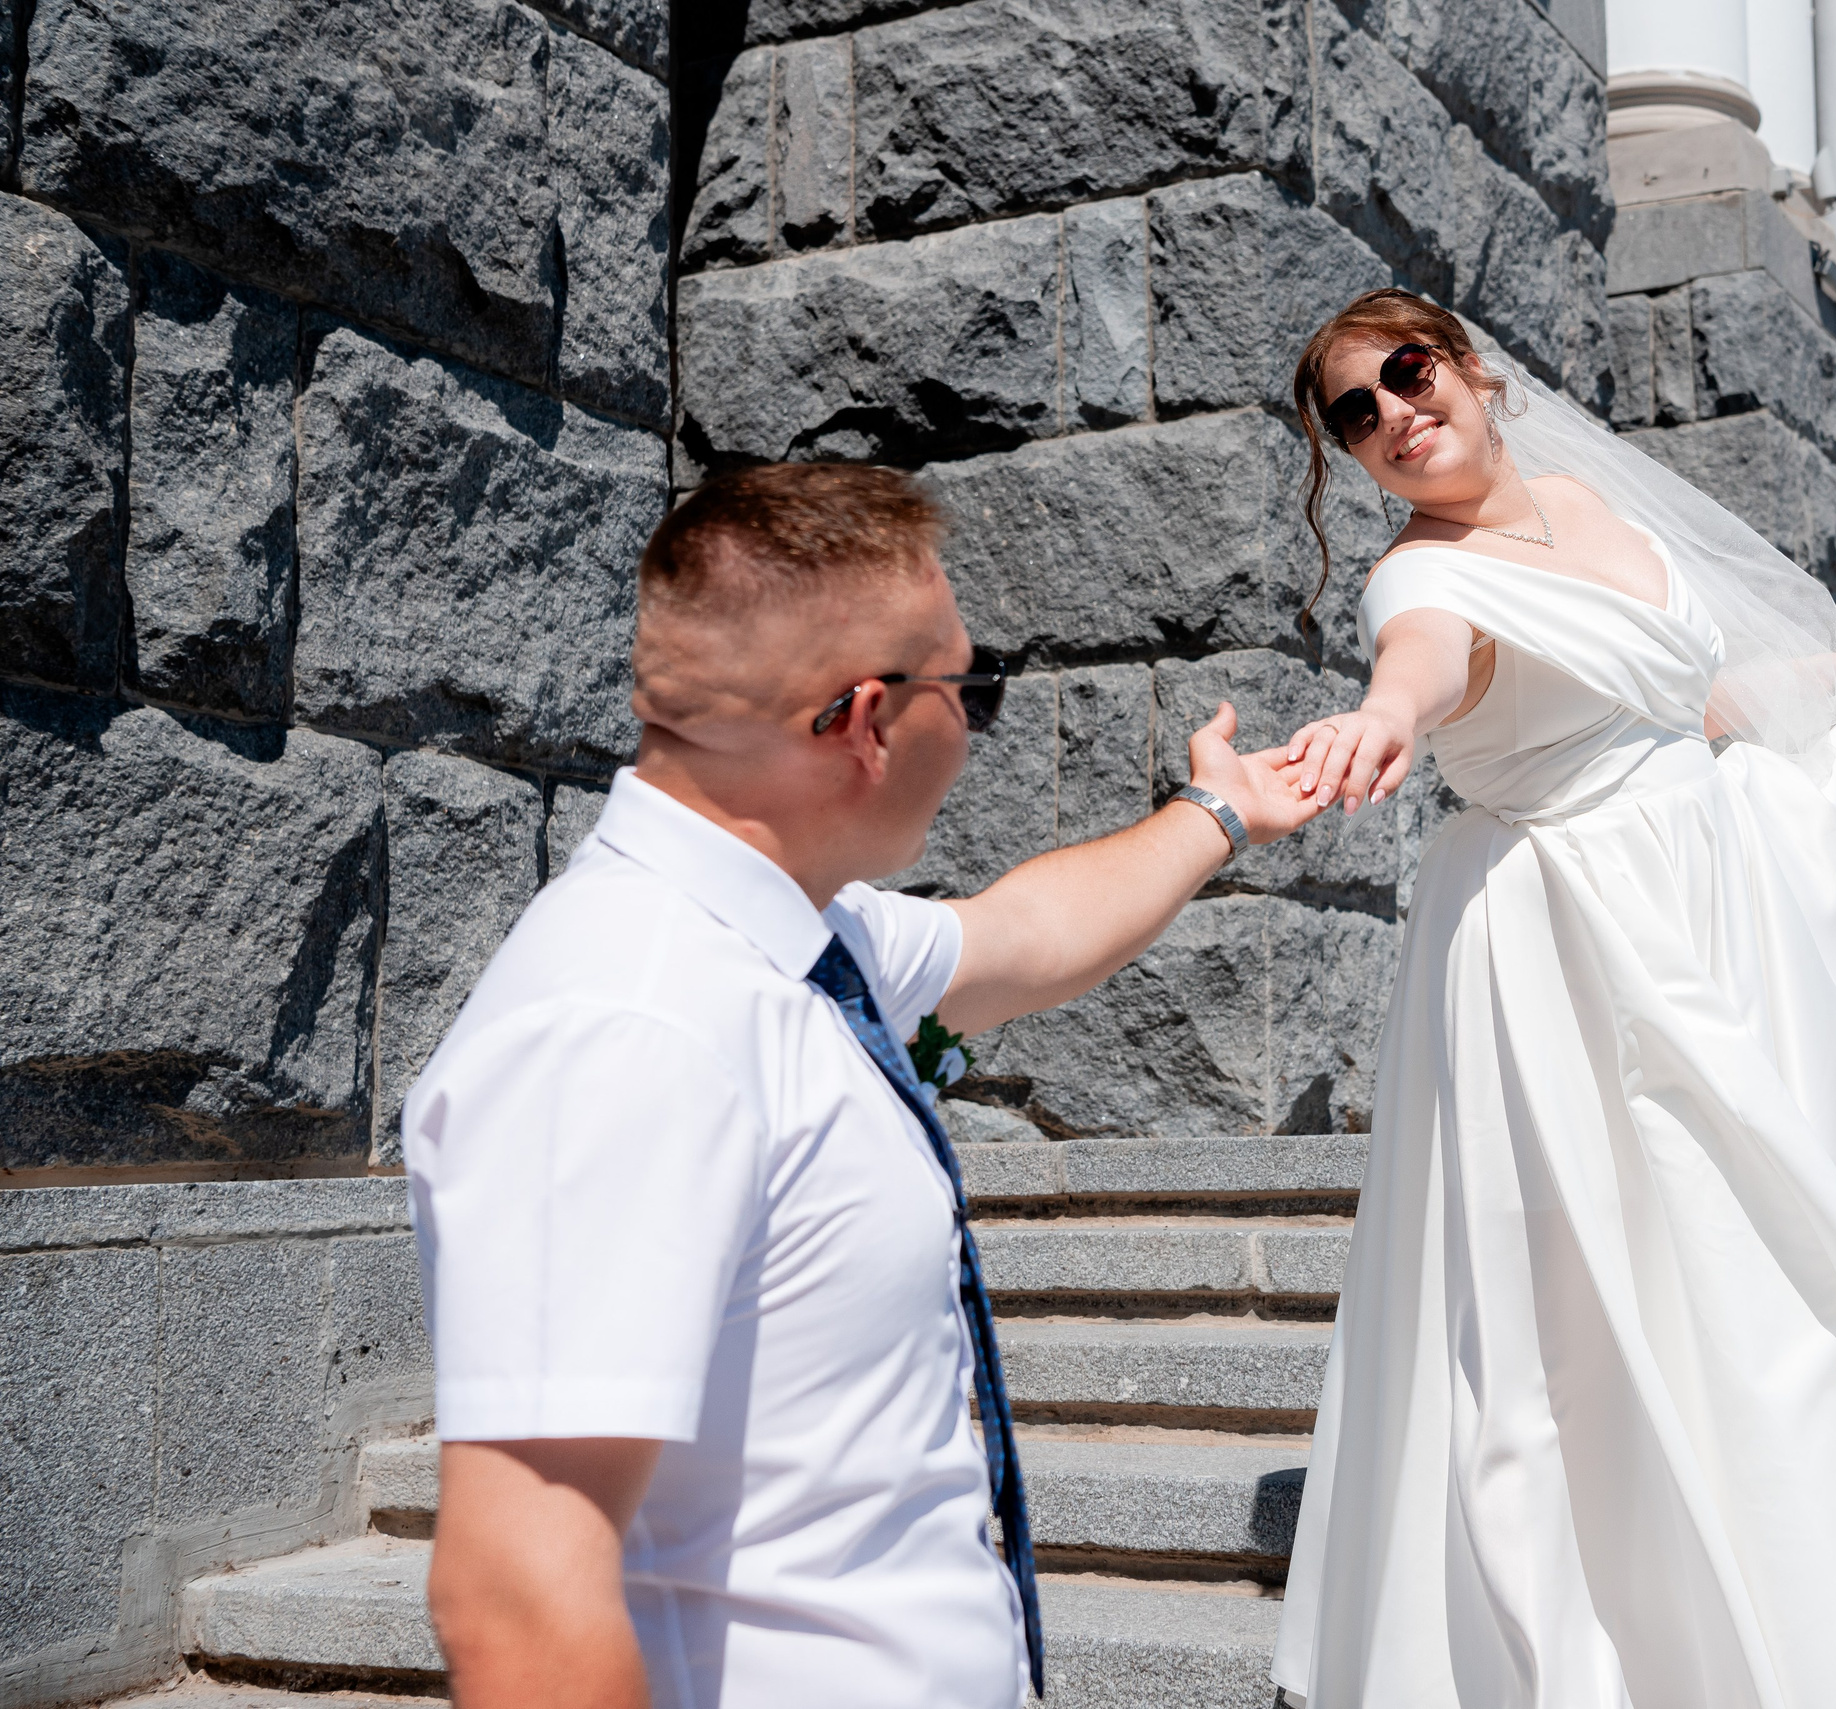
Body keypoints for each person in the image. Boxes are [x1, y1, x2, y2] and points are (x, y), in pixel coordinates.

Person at [1266, 291, 1836, 1707]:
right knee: (1647, 1280)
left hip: (1717, 912)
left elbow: (1693, 703)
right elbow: (1419, 667)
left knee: (1805, 1242)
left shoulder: (1584, 501)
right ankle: (1695, 1631)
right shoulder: (1415, 583)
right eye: (1353, 414)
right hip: (1571, 940)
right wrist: (1380, 719)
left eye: (1408, 372)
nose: (1393, 416)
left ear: (1475, 368)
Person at [405, 463, 1323, 1709]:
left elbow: (1021, 936)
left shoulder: (795, 942)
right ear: (866, 721)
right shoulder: (627, 1027)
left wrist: (1221, 810)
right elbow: (517, 1596)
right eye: (971, 683)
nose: (974, 716)